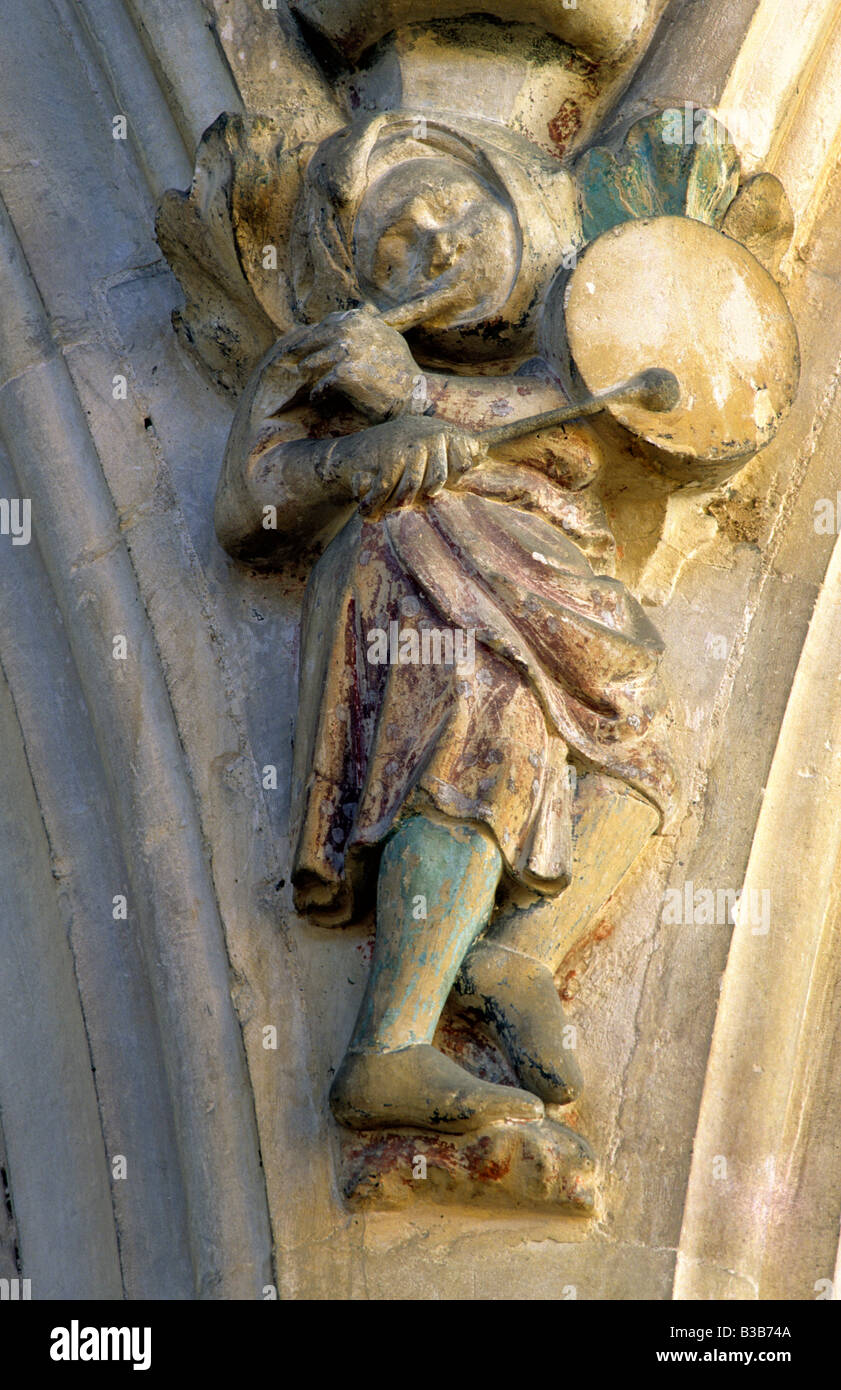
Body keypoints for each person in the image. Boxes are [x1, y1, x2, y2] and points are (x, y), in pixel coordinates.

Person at [215, 112, 675, 1133]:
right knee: (468, 733)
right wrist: (349, 459)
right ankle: (391, 1044)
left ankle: (515, 953)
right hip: (423, 565)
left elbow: (589, 435)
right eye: (394, 241)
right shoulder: (327, 354)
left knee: (639, 756)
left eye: (446, 205)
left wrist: (419, 392)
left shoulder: (573, 326)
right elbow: (250, 508)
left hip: (561, 582)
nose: (432, 242)